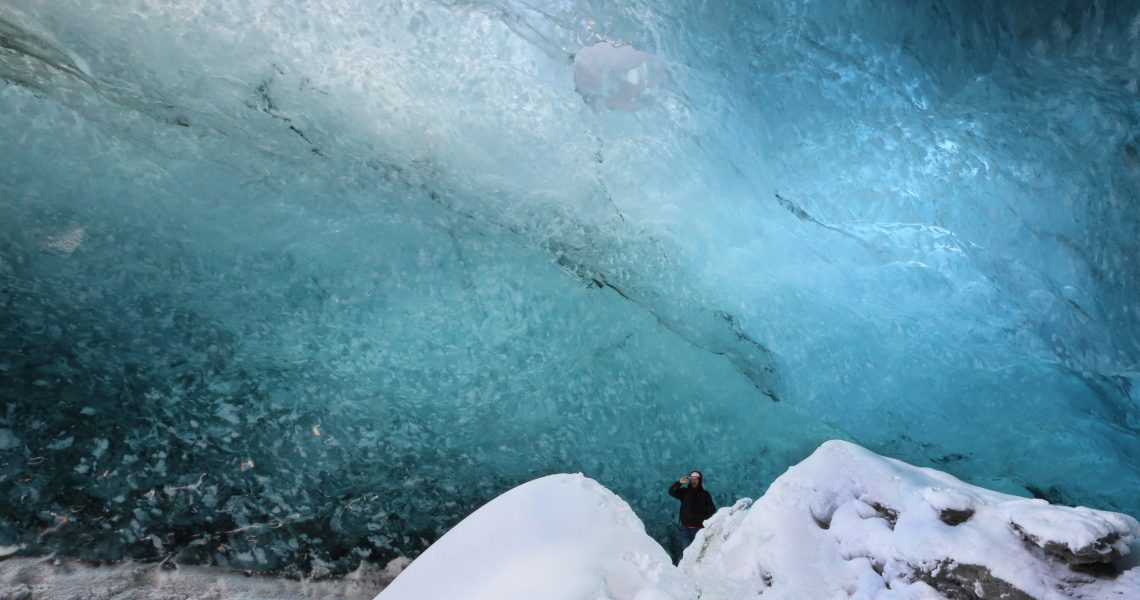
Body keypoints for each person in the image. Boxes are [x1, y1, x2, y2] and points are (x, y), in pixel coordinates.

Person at [668, 470, 716, 558]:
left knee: (698, 556)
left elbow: (712, 510)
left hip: (699, 531)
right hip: (685, 529)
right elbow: (671, 492)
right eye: (692, 479)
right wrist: (679, 482)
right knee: (686, 555)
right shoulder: (684, 492)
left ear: (699, 480)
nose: (694, 481)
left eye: (696, 479)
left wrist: (701, 516)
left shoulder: (705, 495)